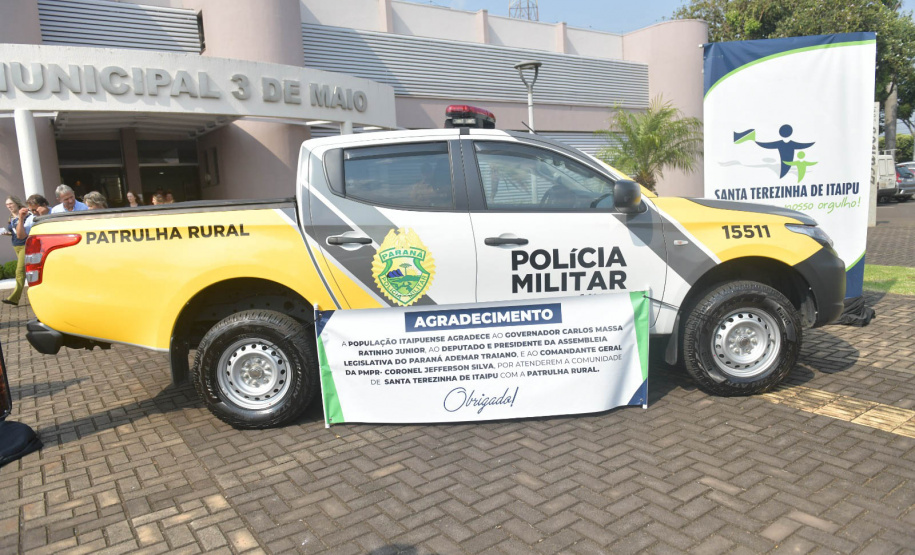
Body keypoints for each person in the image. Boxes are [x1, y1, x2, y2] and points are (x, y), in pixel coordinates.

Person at [2, 196, 30, 306]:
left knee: (19, 271)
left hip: (25, 245)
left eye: (11, 204)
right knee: (25, 271)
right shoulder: (11, 217)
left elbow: (26, 230)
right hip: (16, 246)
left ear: (17, 203)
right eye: (7, 204)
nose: (9, 206)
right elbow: (15, 232)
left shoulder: (25, 214)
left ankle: (14, 298)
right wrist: (6, 233)